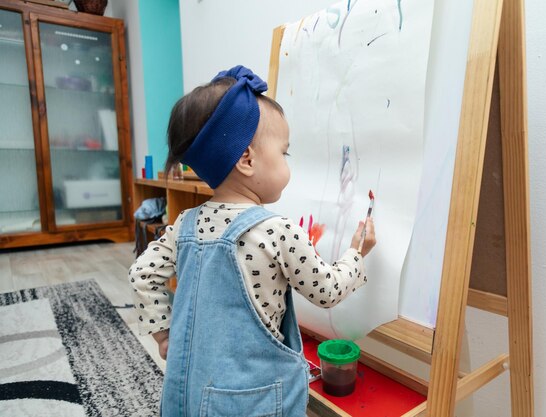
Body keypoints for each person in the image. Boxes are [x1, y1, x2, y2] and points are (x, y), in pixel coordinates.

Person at [128, 65, 376, 416]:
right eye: (284, 152)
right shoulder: (277, 230)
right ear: (247, 159)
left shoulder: (185, 223)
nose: (288, 163)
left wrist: (164, 335)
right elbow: (328, 290)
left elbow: (142, 273)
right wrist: (356, 252)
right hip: (256, 400)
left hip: (189, 395)